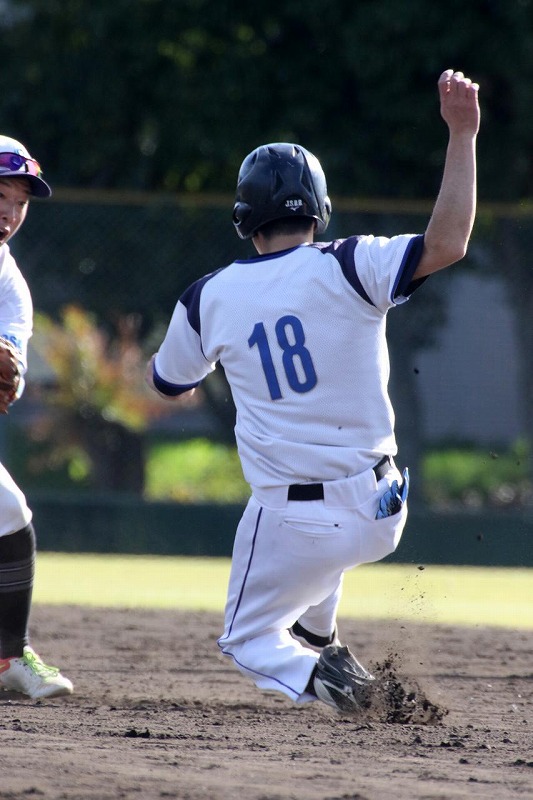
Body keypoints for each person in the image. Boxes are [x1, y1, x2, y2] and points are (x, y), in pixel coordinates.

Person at [146, 69, 480, 712]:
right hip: (383, 509)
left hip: (296, 519)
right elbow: (448, 243)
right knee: (318, 566)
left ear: (244, 219)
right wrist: (462, 135)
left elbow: (167, 382)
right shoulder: (352, 262)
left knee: (247, 640)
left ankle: (332, 681)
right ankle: (324, 642)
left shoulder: (208, 296)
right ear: (320, 212)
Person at [0, 135, 73, 699]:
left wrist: (12, 370)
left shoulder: (9, 284)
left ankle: (8, 658)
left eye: (21, 203)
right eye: (1, 195)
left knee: (10, 513)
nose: (10, 213)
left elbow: (11, 377)